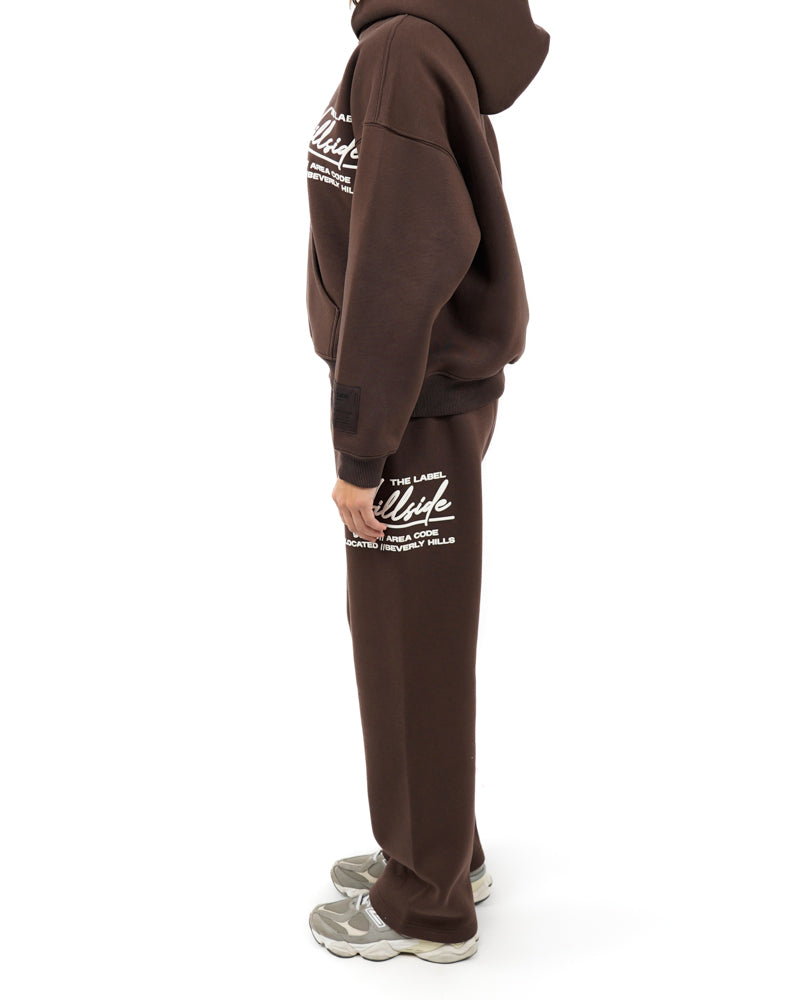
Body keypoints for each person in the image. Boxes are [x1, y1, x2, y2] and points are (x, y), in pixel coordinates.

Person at [304, 0, 550, 963]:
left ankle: (426, 903)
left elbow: (400, 261)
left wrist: (360, 446)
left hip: (410, 405)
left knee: (411, 646)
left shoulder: (404, 51)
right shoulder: (411, 43)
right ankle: (441, 850)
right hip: (421, 392)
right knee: (410, 636)